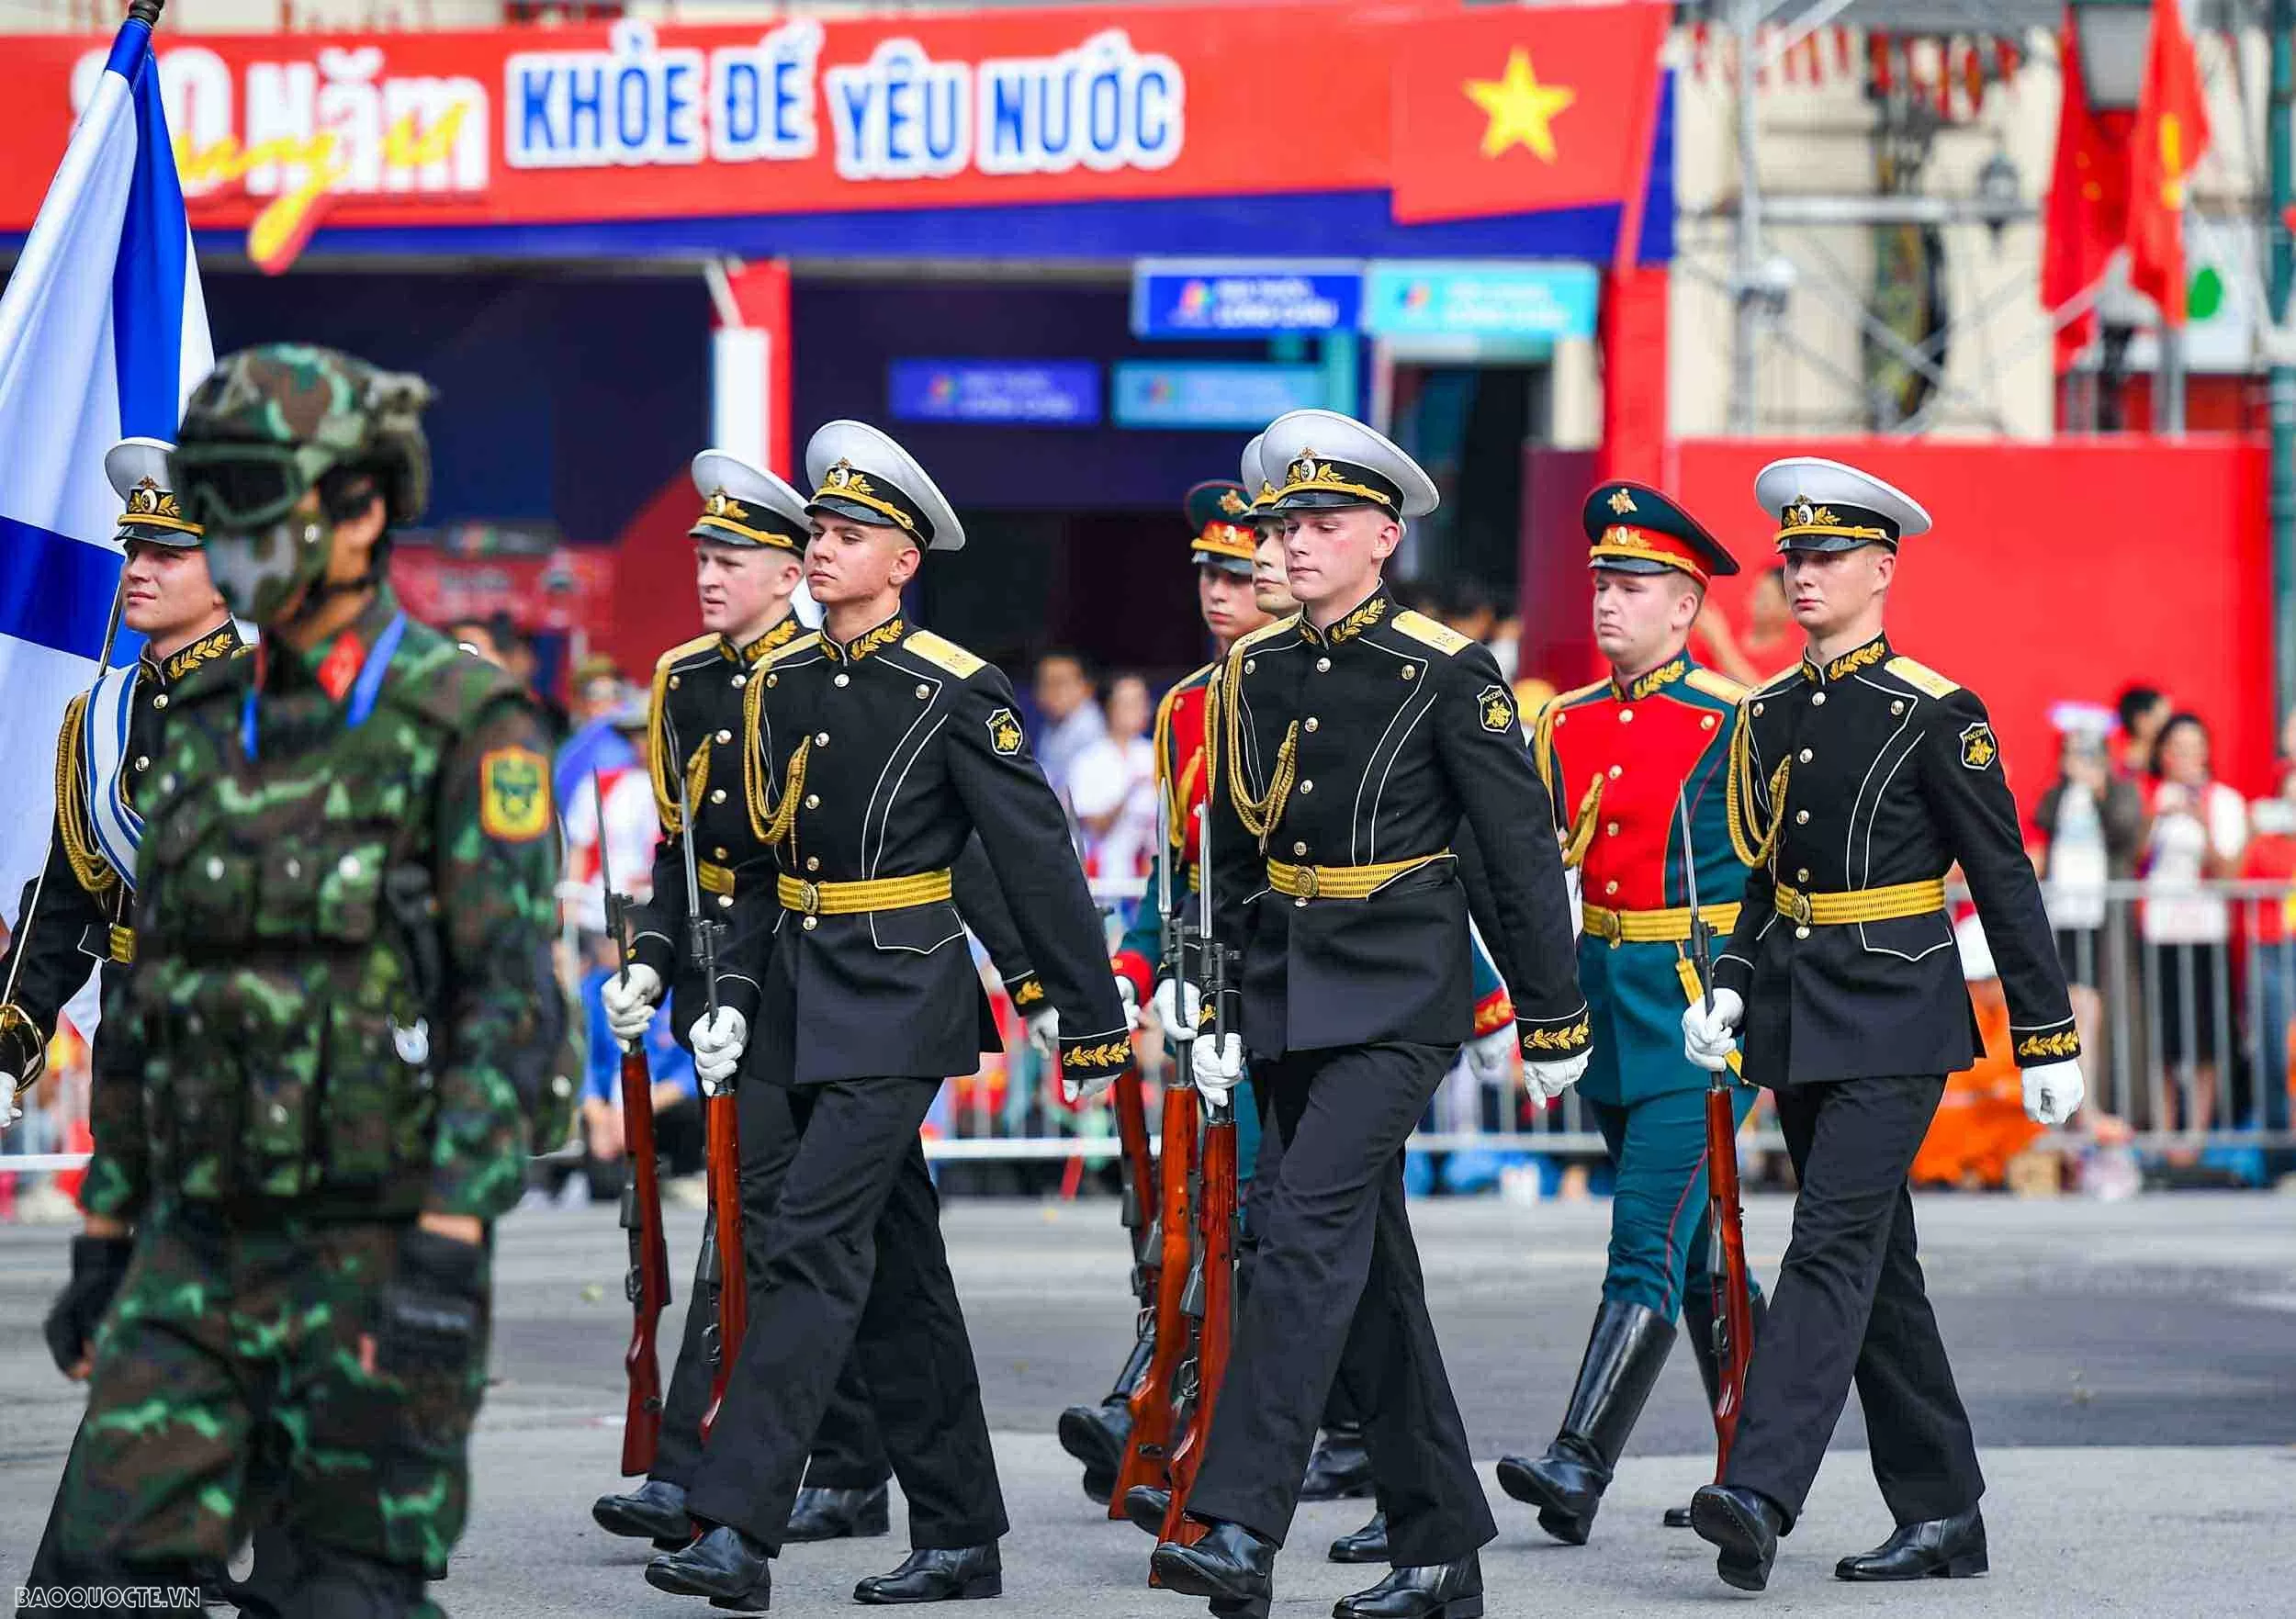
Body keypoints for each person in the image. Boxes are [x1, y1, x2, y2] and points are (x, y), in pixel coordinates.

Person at [43, 343, 566, 1616]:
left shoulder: (458, 720)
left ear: (361, 507)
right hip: (196, 1247)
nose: (233, 532)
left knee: (339, 1591)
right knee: (94, 1576)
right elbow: (157, 1001)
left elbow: (509, 1013)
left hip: (373, 1257)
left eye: (258, 496)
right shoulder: (206, 720)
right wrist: (109, 1234)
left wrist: (447, 1248)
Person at [644, 421, 1131, 1612]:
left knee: (809, 1242)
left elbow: (1033, 862)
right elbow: (755, 864)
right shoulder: (781, 683)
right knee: (889, 1271)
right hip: (798, 996)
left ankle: (734, 1520)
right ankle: (962, 1530)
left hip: (902, 997)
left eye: (848, 534)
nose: (822, 547)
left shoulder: (957, 691)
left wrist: (1087, 1015)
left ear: (903, 560)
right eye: (818, 529)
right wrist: (733, 995)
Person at [1151, 410, 1588, 1619]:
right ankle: (1441, 1541)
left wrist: (1553, 1011)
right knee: (1365, 1270)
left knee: (1299, 1235)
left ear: (1383, 536)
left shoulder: (1447, 672)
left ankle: (1238, 1522)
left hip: (1399, 989)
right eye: (1283, 524)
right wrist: (1221, 990)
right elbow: (1236, 851)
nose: (1290, 546)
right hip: (1290, 986)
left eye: (1319, 524)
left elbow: (1513, 854)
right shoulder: (1254, 671)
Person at [589, 449, 1048, 1555]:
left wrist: (1050, 992)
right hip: (758, 986)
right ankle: (929, 1513)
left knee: (791, 1237)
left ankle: (719, 1496)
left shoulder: (894, 679)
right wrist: (661, 961)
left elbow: (973, 852)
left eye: (732, 554)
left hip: (871, 990)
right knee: (883, 1264)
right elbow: (702, 852)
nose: (707, 572)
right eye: (700, 552)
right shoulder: (702, 682)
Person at [1681, 455, 2085, 1592]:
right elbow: (1758, 878)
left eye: (1822, 557)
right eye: (1790, 557)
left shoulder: (1932, 709)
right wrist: (1727, 978)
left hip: (1898, 1009)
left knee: (1826, 1241)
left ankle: (1758, 1488)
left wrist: (2045, 1033)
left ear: (1879, 567)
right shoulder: (1767, 711)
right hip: (1803, 1011)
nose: (1799, 574)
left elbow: (2002, 877)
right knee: (1878, 1267)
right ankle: (1944, 1506)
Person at [1493, 479, 1767, 1546]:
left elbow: (1766, 875)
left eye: (1635, 583)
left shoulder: (1732, 722)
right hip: (1607, 1007)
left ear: (1685, 605)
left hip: (1696, 1017)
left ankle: (1577, 1460)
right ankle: (1756, 1467)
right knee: (1700, 1257)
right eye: (1602, 579)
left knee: (1645, 1234)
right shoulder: (1563, 720)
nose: (1609, 599)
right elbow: (1531, 870)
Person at [11, 439, 258, 1611]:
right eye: (136, 549)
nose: (140, 567)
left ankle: (99, 1573)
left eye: (169, 549)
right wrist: (11, 1034)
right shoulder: (100, 714)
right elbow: (63, 908)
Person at [1060, 478, 1273, 1503]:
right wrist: (1131, 970)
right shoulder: (1188, 709)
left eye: (1236, 572)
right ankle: (1161, 1405)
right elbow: (1168, 881)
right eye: (1206, 572)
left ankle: (1189, 1415)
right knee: (1185, 1216)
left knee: (1259, 1222)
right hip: (1200, 1006)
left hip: (1281, 1005)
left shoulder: (1303, 694)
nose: (1217, 591)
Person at [2138, 712, 2246, 1148]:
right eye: (2175, 748)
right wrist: (2154, 818)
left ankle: (2197, 1133)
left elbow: (2230, 871)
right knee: (2164, 1037)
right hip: (2161, 931)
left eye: (2192, 747)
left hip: (2207, 931)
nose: (2184, 757)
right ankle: (2166, 1134)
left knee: (2205, 1034)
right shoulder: (2152, 799)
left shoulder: (2225, 802)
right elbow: (2133, 860)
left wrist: (2200, 818)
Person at [2032, 712, 2146, 1075]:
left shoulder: (2120, 790)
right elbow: (2042, 819)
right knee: (2067, 1000)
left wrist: (2100, 792)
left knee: (2096, 1003)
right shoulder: (2059, 794)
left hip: (2103, 911)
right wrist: (2068, 782)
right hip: (2061, 910)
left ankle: (2097, 1098)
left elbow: (2125, 832)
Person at [1069, 672, 1159, 881]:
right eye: (1129, 702)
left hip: (1150, 874)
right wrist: (1130, 791)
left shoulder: (1154, 754)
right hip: (1105, 877)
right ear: (1109, 707)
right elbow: (1095, 826)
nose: (1139, 709)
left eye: (1142, 701)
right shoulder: (1088, 760)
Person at [1032, 649, 1106, 807]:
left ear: (1087, 688)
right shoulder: (1054, 724)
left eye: (1059, 683)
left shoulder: (1090, 726)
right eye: (1044, 683)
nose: (1050, 692)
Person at [2115, 685, 2172, 781]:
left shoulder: (2166, 768)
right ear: (2141, 720)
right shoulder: (2122, 771)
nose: (2171, 729)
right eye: (2164, 720)